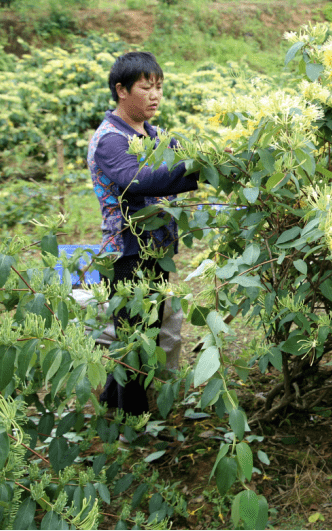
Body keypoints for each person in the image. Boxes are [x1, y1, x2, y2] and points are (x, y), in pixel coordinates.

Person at [87, 51, 199, 420]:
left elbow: (186, 160)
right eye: (145, 87)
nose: (155, 95)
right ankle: (133, 425)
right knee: (135, 342)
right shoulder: (110, 140)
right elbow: (140, 180)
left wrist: (217, 160)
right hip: (128, 253)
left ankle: (113, 413)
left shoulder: (155, 135)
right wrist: (198, 172)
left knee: (142, 338)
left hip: (157, 249)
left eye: (159, 87)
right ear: (121, 90)